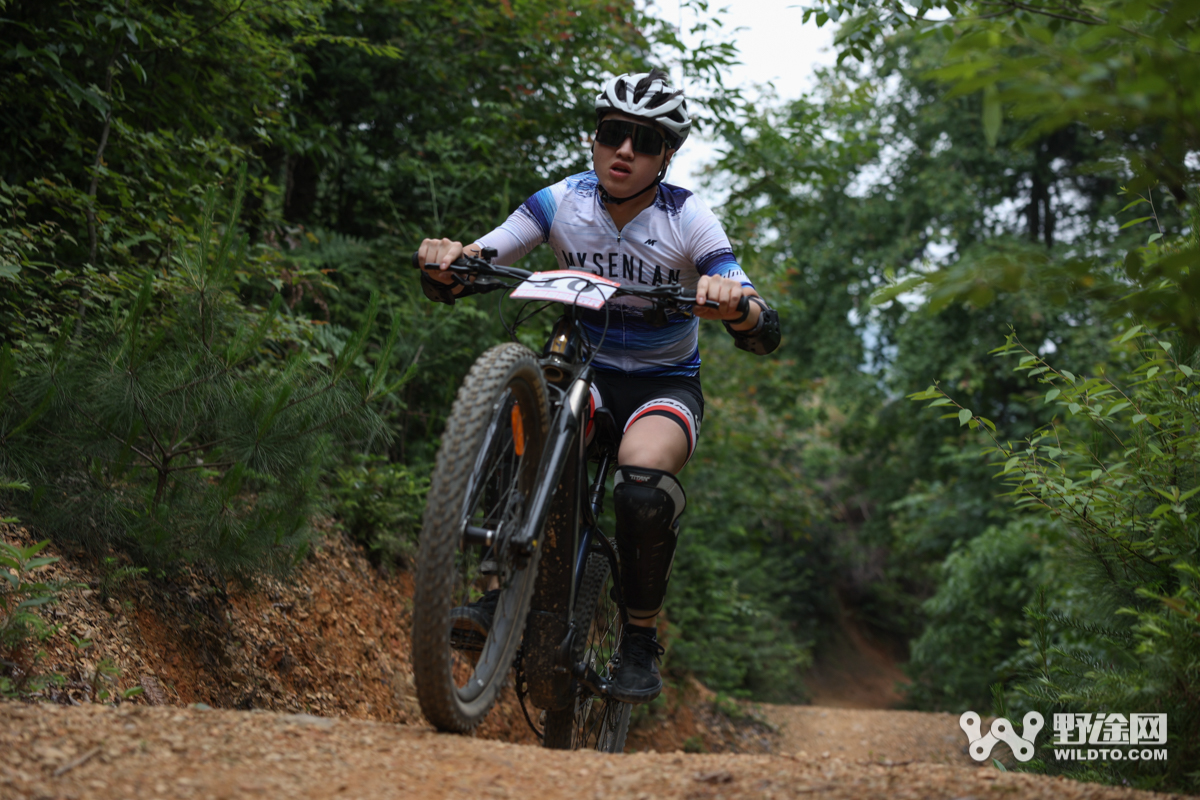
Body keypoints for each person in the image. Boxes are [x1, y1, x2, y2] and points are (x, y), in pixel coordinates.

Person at [416, 68, 781, 704]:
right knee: (520, 424)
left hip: (659, 387)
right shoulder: (562, 201)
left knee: (640, 488)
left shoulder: (687, 217)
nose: (625, 152)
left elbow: (749, 305)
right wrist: (449, 259)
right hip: (580, 372)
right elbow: (487, 251)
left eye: (645, 142)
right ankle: (503, 589)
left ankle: (639, 640)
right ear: (594, 138)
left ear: (667, 154)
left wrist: (735, 302)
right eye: (614, 134)